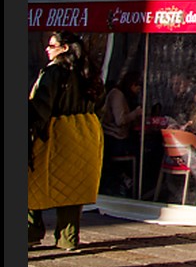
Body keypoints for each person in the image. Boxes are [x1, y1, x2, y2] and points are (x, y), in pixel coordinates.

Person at [29, 31, 105, 252]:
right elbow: (100, 104)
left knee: (32, 182)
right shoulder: (89, 72)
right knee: (73, 188)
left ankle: (30, 232)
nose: (47, 49)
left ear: (65, 48)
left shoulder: (53, 72)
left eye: (52, 45)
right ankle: (68, 238)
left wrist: (31, 131)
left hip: (56, 132)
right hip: (86, 133)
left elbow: (41, 106)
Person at [99, 71, 143, 194]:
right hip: (114, 138)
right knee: (140, 151)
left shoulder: (122, 96)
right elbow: (120, 120)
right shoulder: (117, 96)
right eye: (137, 86)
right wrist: (135, 113)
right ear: (131, 84)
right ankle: (129, 182)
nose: (138, 90)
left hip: (117, 136)